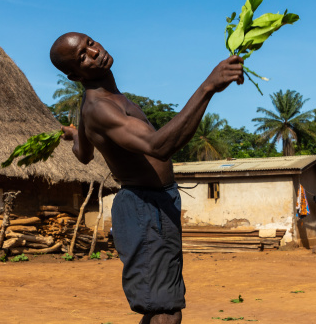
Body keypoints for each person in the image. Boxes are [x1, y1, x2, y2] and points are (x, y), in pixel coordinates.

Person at [50, 32, 244, 324]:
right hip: (145, 209)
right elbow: (159, 147)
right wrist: (208, 87)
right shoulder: (100, 107)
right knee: (165, 312)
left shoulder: (97, 103)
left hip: (154, 206)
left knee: (162, 308)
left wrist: (75, 134)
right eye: (82, 57)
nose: (93, 52)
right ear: (74, 75)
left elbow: (84, 154)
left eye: (90, 43)